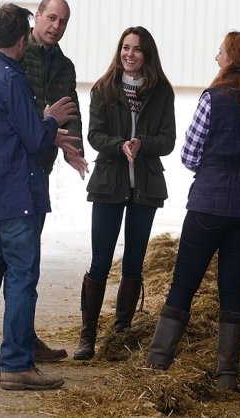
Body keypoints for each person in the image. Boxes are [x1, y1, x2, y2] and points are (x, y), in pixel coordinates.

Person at [0, 3, 80, 389]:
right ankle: (17, 364)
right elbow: (35, 137)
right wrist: (52, 118)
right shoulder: (13, 79)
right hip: (12, 194)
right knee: (22, 276)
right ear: (22, 39)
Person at [146, 31, 240, 391]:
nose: (216, 57)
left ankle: (158, 361)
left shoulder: (212, 99)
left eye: (220, 52)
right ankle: (227, 375)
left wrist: (217, 167)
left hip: (209, 202)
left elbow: (190, 156)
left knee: (184, 283)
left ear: (233, 58)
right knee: (233, 286)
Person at [0, 0, 88, 364]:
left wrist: (71, 147)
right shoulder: (15, 53)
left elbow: (69, 109)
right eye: (51, 18)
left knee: (25, 260)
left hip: (37, 170)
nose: (56, 26)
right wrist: (45, 123)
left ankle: (22, 336)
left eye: (63, 21)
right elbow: (10, 110)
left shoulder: (65, 65)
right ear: (37, 18)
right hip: (8, 168)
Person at [72, 26, 176, 360]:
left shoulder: (162, 92)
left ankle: (120, 334)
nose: (129, 54)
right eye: (125, 48)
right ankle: (87, 337)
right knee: (100, 260)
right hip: (108, 184)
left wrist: (142, 144)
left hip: (145, 186)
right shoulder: (103, 89)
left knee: (134, 261)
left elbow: (168, 139)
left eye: (137, 49)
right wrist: (120, 146)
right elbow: (94, 135)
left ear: (147, 54)